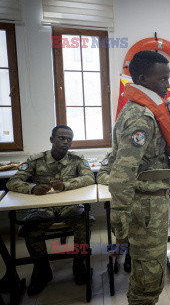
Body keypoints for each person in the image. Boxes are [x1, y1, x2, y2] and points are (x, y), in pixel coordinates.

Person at [109, 50, 170, 305]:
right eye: (161, 79)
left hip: (153, 203)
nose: (167, 84)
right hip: (146, 206)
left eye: (168, 78)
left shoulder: (147, 109)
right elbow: (122, 174)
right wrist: (120, 223)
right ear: (142, 78)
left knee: (149, 267)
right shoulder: (141, 116)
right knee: (149, 274)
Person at [6, 125, 95, 296]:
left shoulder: (77, 159)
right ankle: (42, 269)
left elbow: (89, 178)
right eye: (61, 137)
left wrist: (66, 185)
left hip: (70, 205)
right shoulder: (35, 159)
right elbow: (13, 181)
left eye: (69, 139)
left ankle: (79, 264)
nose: (66, 142)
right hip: (43, 206)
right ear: (51, 139)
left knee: (84, 221)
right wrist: (32, 188)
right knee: (31, 226)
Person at [97, 151, 131, 272]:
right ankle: (125, 250)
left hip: (143, 195)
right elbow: (101, 175)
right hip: (121, 197)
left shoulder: (148, 151)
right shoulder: (114, 154)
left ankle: (131, 254)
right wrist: (120, 182)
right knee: (123, 218)